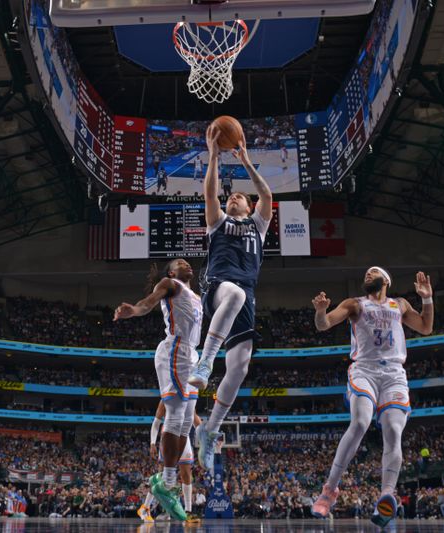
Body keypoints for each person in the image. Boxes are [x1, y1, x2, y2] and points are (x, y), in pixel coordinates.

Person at [310, 267, 434, 527]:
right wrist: (321, 311)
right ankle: (329, 490)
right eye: (366, 273)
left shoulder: (399, 304)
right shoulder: (355, 304)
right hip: (364, 369)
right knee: (360, 422)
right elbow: (324, 325)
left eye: (374, 272)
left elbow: (425, 327)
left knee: (392, 430)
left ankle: (387, 495)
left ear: (386, 280)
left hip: (394, 374)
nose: (368, 274)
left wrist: (427, 299)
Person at [187, 124, 273, 472]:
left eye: (238, 196)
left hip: (246, 299)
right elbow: (209, 194)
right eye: (229, 197)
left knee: (239, 367)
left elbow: (267, 197)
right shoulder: (218, 222)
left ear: (249, 205)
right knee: (234, 293)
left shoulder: (258, 225)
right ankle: (205, 362)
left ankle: (210, 430)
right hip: (219, 289)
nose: (231, 198)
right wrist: (212, 156)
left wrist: (247, 162)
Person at [114, 258, 201, 521]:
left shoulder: (195, 295)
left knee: (186, 421)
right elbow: (149, 302)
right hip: (174, 350)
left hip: (191, 355)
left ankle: (167, 482)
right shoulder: (169, 283)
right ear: (172, 271)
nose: (187, 264)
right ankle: (167, 481)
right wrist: (135, 311)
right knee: (174, 415)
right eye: (181, 262)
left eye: (188, 262)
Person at [138, 400, 202, 524]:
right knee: (162, 478)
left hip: (184, 436)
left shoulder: (190, 397)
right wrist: (152, 443)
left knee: (186, 474)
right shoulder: (166, 398)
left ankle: (188, 512)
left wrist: (205, 437)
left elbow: (195, 420)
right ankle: (145, 508)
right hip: (168, 435)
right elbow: (156, 422)